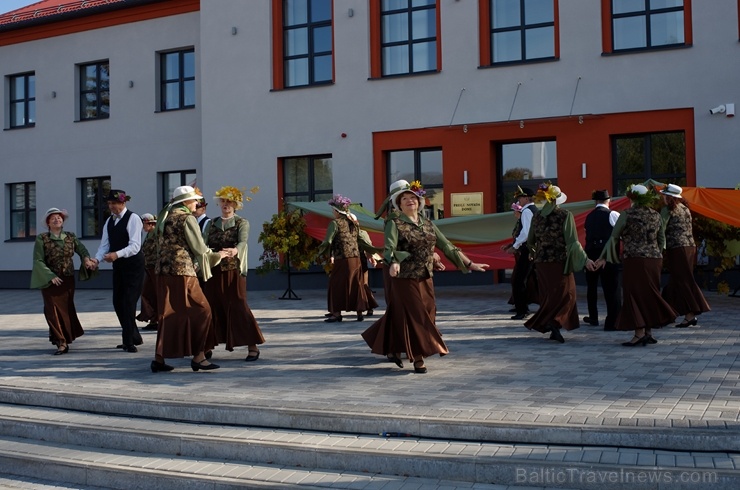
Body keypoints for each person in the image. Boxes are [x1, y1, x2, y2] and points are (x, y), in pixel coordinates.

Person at [361, 180, 489, 373]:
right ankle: (418, 358)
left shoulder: (428, 223)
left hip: (425, 275)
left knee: (428, 311)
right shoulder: (394, 223)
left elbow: (447, 246)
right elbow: (390, 247)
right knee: (417, 314)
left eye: (413, 198)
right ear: (399, 204)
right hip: (404, 277)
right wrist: (394, 262)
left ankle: (393, 346)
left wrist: (469, 263)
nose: (409, 201)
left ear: (419, 202)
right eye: (405, 198)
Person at [150, 185, 227, 372]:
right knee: (203, 310)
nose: (197, 203)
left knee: (168, 314)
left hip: (162, 272)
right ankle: (199, 357)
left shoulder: (164, 218)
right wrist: (219, 256)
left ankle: (159, 359)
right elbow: (199, 248)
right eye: (194, 200)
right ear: (185, 202)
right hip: (182, 272)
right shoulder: (186, 218)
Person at [596, 184, 678, 346]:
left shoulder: (626, 214)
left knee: (634, 294)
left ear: (632, 198)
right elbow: (661, 239)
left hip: (634, 259)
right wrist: (657, 254)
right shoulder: (656, 215)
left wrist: (605, 257)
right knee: (650, 293)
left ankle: (639, 333)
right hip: (654, 259)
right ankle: (648, 332)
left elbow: (614, 237)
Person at [522, 183, 596, 343]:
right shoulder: (565, 215)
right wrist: (585, 260)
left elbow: (531, 241)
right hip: (559, 261)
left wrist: (535, 254)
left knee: (549, 295)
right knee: (568, 294)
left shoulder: (537, 216)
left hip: (541, 262)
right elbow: (573, 242)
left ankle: (549, 323)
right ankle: (555, 323)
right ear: (556, 200)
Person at [202, 186, 265, 361]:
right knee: (210, 306)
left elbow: (243, 242)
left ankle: (252, 345)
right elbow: (202, 244)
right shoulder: (210, 223)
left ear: (236, 204)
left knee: (238, 304)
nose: (226, 205)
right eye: (223, 201)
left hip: (232, 271)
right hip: (213, 271)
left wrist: (236, 250)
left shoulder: (241, 222)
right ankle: (206, 346)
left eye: (229, 202)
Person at [31, 208, 96, 355]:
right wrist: (50, 276)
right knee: (52, 310)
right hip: (50, 280)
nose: (57, 220)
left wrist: (86, 259)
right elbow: (38, 260)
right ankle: (61, 342)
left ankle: (64, 337)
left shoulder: (70, 237)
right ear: (48, 222)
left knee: (66, 309)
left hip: (67, 279)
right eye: (53, 218)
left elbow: (82, 250)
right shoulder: (42, 238)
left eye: (59, 218)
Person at [88, 189, 145, 353]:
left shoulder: (133, 218)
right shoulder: (109, 221)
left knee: (128, 302)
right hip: (118, 265)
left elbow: (135, 246)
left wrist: (117, 254)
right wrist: (97, 259)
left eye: (114, 203)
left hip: (133, 265)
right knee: (118, 302)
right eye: (110, 203)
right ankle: (133, 335)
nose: (111, 206)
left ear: (123, 202)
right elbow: (104, 245)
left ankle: (128, 341)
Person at [318, 195, 378, 322]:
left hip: (343, 258)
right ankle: (359, 312)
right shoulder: (353, 224)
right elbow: (361, 240)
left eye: (333, 210)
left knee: (335, 284)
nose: (332, 212)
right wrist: (373, 251)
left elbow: (328, 241)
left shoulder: (335, 223)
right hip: (355, 259)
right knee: (356, 284)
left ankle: (336, 314)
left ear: (336, 211)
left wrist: (321, 253)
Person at [659, 184, 710, 327]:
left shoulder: (667, 210)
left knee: (683, 280)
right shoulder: (685, 209)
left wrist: (659, 249)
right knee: (675, 281)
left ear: (670, 197)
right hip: (689, 247)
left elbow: (661, 230)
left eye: (665, 195)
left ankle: (691, 313)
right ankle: (666, 314)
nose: (663, 197)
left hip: (676, 248)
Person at [583, 190, 622, 330]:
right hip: (607, 255)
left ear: (596, 202)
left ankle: (593, 316)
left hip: (591, 254)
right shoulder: (613, 214)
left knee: (591, 288)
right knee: (611, 288)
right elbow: (620, 235)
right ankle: (614, 319)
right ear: (608, 200)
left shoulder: (589, 216)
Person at [507, 186, 538, 320]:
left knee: (519, 280)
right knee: (531, 279)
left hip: (527, 249)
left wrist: (515, 245)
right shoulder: (534, 210)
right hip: (533, 249)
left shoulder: (526, 212)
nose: (519, 200)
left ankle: (522, 309)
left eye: (520, 198)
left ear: (526, 198)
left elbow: (526, 232)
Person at [135, 213, 159, 331]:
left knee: (154, 294)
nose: (142, 227)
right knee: (148, 293)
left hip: (155, 268)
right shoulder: (149, 235)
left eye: (143, 224)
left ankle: (157, 319)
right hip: (149, 268)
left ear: (149, 223)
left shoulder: (156, 235)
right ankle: (153, 318)